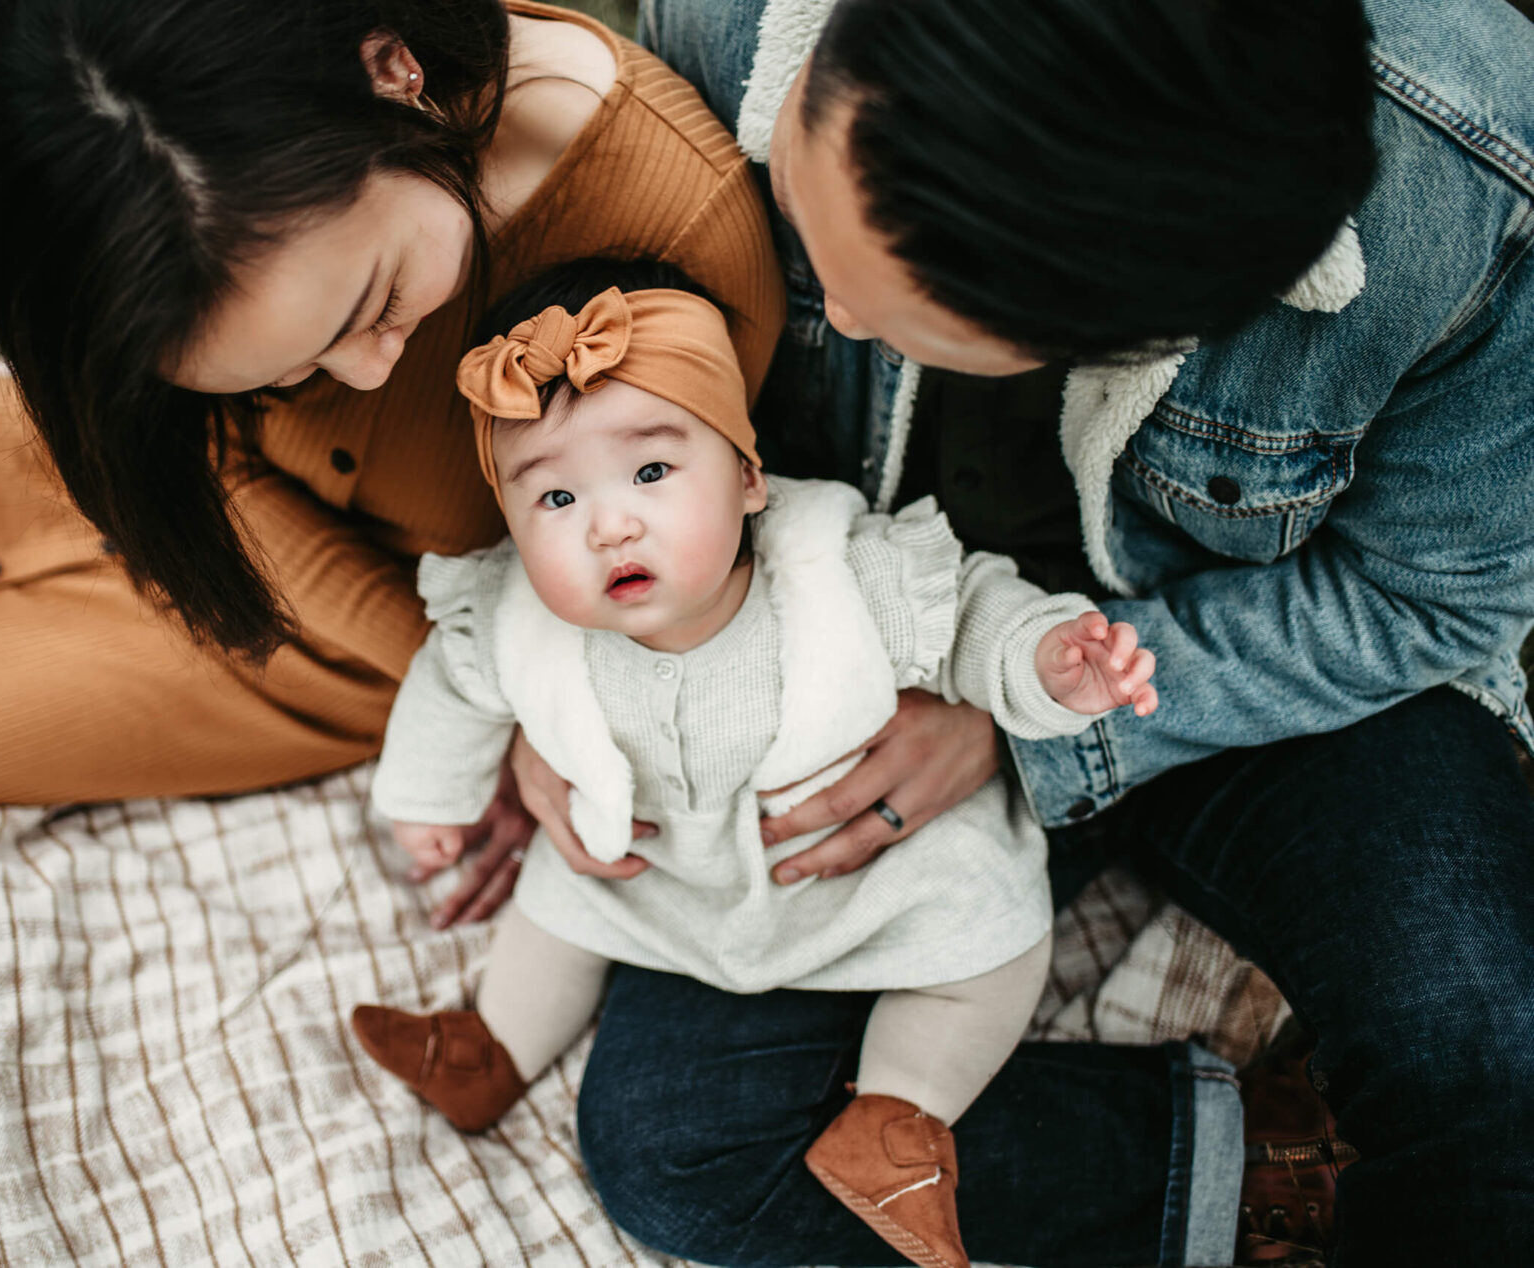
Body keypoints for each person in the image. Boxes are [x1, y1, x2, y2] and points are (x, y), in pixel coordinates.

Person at [528, 0, 1534, 1264]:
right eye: (809, 228)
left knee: (1492, 1059)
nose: (841, 321)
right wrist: (562, 672)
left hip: (1267, 657)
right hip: (854, 648)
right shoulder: (719, 29)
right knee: (682, 1138)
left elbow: (1426, 596)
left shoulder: (1474, 172)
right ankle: (1259, 1167)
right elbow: (578, 414)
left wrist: (1025, 725)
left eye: (908, 315)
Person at [0, 0, 779, 923]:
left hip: (358, 632)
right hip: (168, 477)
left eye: (374, 301)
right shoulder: (147, 227)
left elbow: (682, 549)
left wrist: (528, 710)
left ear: (394, 72)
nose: (370, 373)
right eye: (282, 364)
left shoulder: (676, 233)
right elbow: (189, 439)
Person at [349, 260, 1159, 1268]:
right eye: (555, 495)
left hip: (867, 868)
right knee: (560, 901)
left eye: (652, 473)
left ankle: (901, 1116)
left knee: (986, 946)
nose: (609, 524)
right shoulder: (518, 619)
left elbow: (968, 616)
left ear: (745, 476)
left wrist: (1047, 660)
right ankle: (491, 1046)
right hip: (665, 874)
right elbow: (452, 686)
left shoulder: (834, 571)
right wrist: (430, 799)